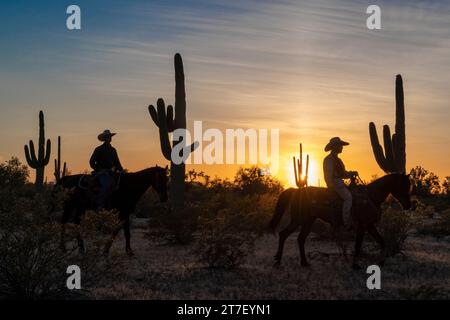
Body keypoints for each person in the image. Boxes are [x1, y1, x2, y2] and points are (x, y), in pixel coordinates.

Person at [323, 137, 358, 229]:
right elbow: (328, 176)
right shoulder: (329, 160)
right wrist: (330, 187)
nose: (342, 147)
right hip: (335, 184)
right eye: (340, 146)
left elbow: (343, 174)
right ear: (335, 147)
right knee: (348, 198)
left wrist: (351, 173)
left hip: (339, 183)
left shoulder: (338, 160)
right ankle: (346, 222)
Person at [89, 129, 124, 210]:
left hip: (111, 172)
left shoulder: (113, 150)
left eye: (110, 137)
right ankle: (99, 204)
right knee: (106, 185)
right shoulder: (99, 149)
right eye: (107, 137)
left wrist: (122, 171)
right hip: (101, 172)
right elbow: (91, 162)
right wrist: (98, 170)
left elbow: (117, 163)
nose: (109, 138)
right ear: (104, 138)